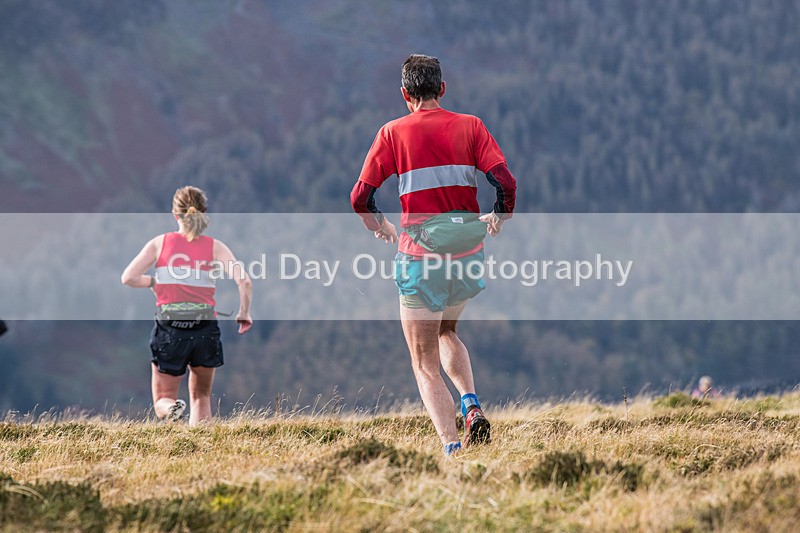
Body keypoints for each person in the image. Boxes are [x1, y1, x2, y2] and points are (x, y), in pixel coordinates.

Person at [350, 54, 517, 455]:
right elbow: (506, 183)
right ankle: (471, 404)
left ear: (405, 94)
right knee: (447, 331)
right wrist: (499, 216)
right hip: (467, 252)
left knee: (424, 362)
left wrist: (381, 226)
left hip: (421, 257)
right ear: (442, 88)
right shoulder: (471, 126)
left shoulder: (392, 133)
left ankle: (452, 449)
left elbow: (360, 197)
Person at [122, 186, 252, 425]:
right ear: (203, 213)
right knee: (201, 395)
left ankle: (172, 409)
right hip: (205, 329)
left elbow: (128, 277)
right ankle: (202, 444)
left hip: (170, 330)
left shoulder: (159, 243)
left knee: (162, 398)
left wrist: (153, 282)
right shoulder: (215, 247)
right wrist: (244, 312)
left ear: (175, 214)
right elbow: (244, 280)